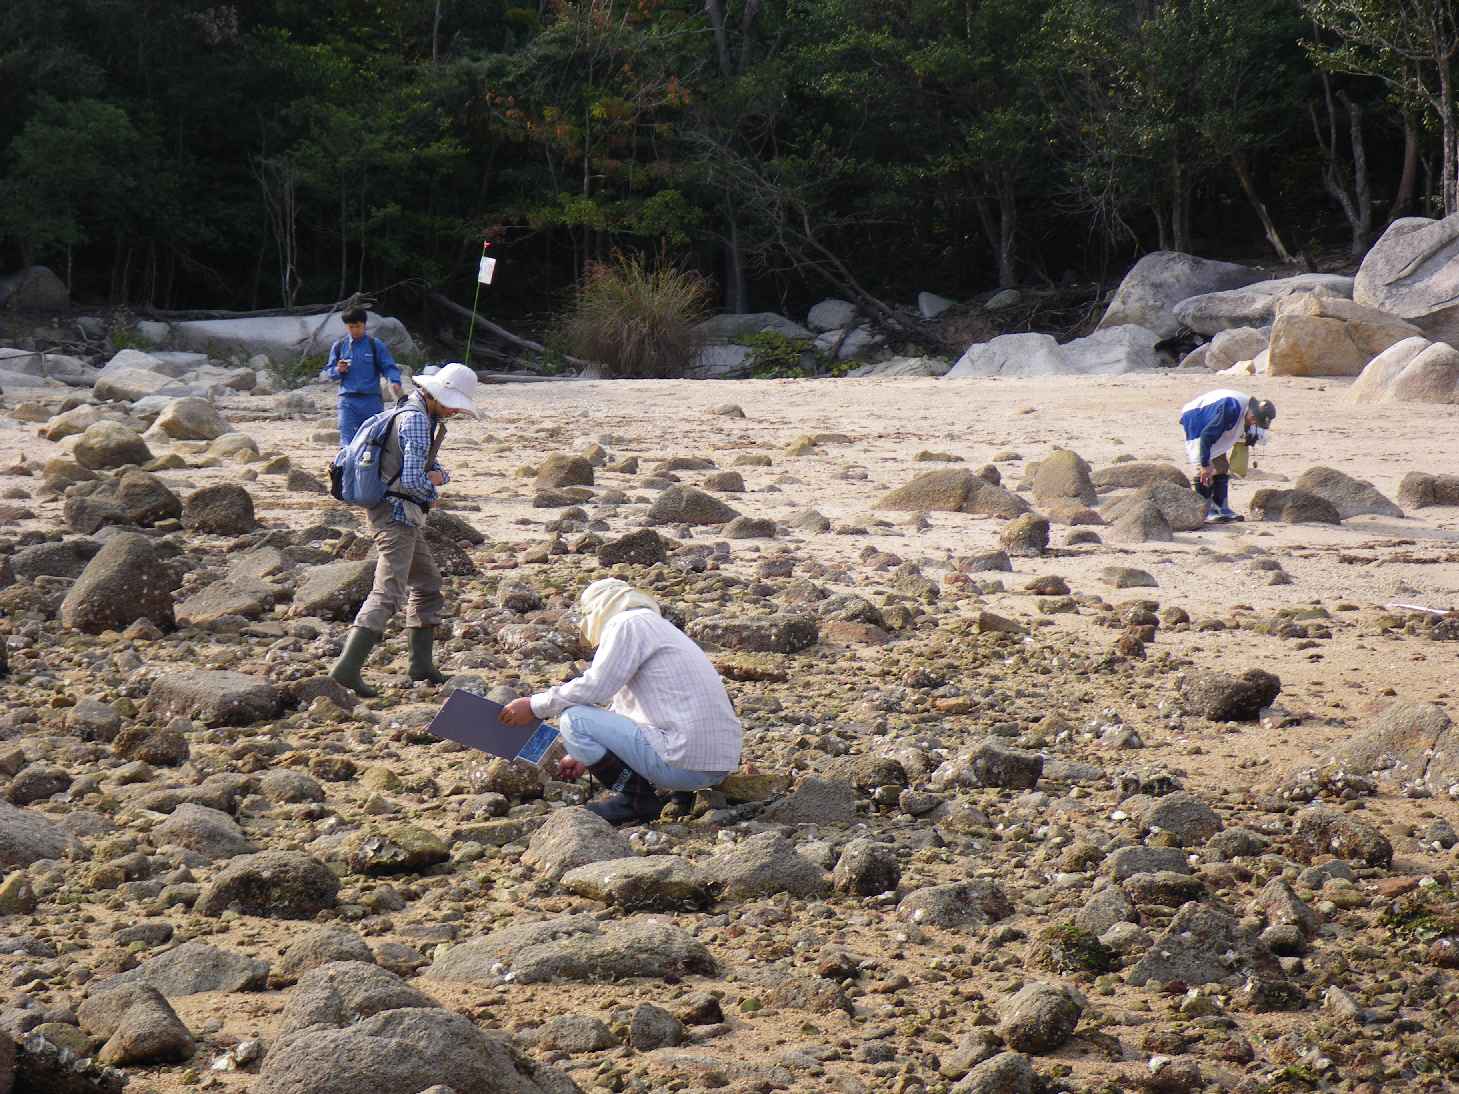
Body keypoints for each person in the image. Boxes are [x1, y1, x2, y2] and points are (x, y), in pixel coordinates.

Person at [500, 579, 743, 825]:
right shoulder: (658, 627)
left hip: (683, 764)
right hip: (716, 765)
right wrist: (586, 755)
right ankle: (681, 794)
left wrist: (533, 706)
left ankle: (635, 800)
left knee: (573, 719)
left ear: (598, 608)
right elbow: (624, 708)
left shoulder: (627, 623)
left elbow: (596, 687)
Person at [329, 363, 479, 697]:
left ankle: (421, 666)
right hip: (395, 515)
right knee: (389, 591)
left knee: (427, 584)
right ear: (437, 394)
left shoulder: (416, 414)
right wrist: (435, 488)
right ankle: (346, 670)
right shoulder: (415, 421)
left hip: (402, 515)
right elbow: (413, 480)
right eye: (453, 403)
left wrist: (437, 475)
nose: (456, 410)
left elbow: (419, 464)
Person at [1179, 389, 1276, 523]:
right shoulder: (1231, 409)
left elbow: (1254, 434)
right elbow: (1206, 436)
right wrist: (1205, 464)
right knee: (1205, 468)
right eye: (1254, 420)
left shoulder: (1249, 413)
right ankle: (1204, 510)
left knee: (1222, 465)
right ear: (1252, 412)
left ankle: (1221, 507)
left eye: (1257, 422)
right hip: (1196, 416)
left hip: (1214, 420)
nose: (1254, 422)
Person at [323, 307, 405, 443]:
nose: (355, 330)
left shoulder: (375, 345)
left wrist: (394, 381)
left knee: (373, 442)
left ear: (364, 325)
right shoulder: (339, 346)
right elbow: (329, 373)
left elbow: (389, 367)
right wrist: (338, 370)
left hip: (371, 401)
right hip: (348, 401)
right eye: (351, 327)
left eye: (358, 326)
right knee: (347, 443)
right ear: (346, 326)